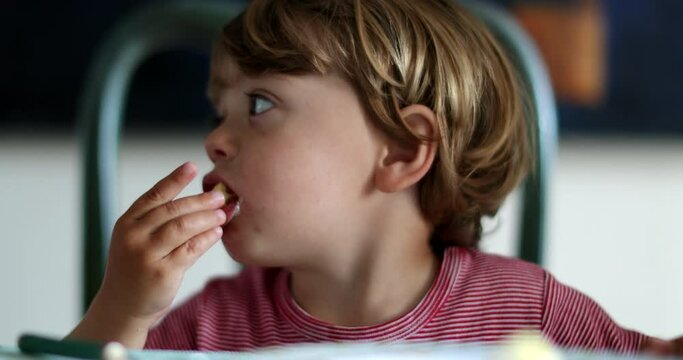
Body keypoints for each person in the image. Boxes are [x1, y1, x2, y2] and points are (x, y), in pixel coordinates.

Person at [67, 0, 682, 355]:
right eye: (217, 110)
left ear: (402, 151)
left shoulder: (527, 314)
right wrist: (121, 311)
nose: (214, 140)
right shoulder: (209, 330)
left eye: (258, 105)